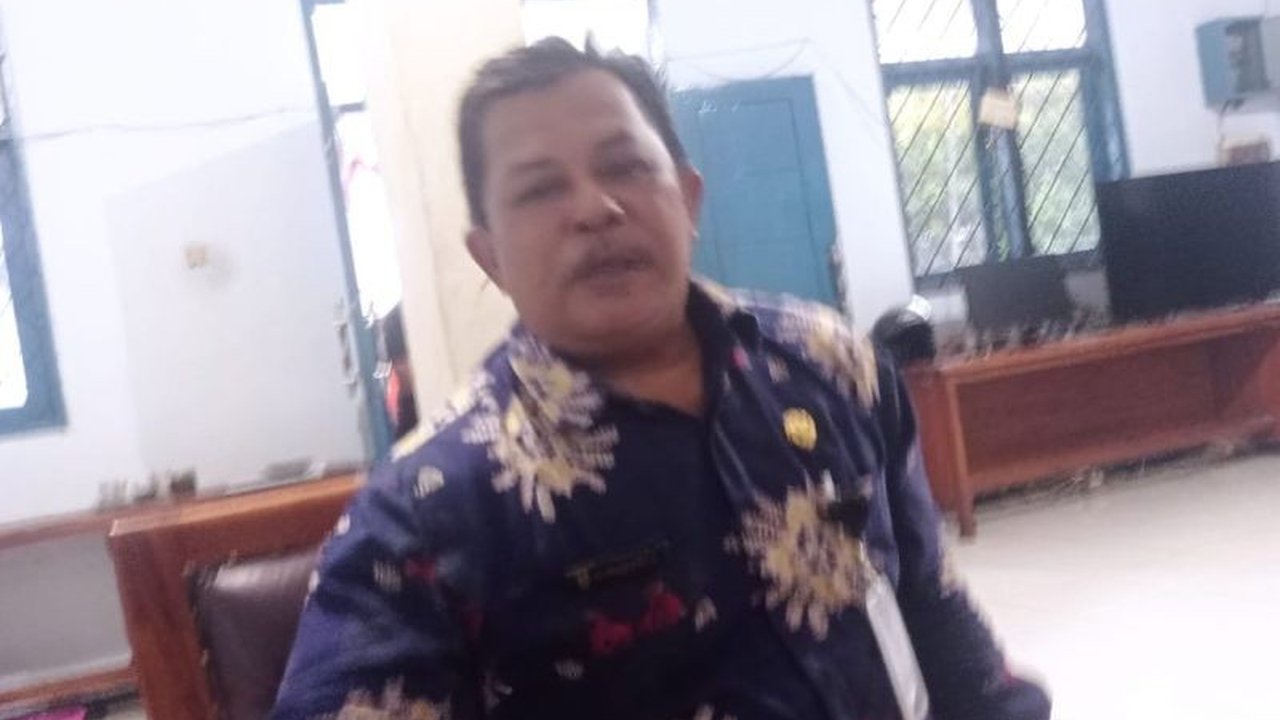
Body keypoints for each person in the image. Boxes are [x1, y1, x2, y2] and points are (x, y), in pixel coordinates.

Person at [271, 38, 1050, 720]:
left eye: (625, 166)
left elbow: (932, 605)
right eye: (540, 189)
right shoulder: (428, 510)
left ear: (688, 198)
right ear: (491, 256)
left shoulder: (832, 364)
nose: (595, 208)